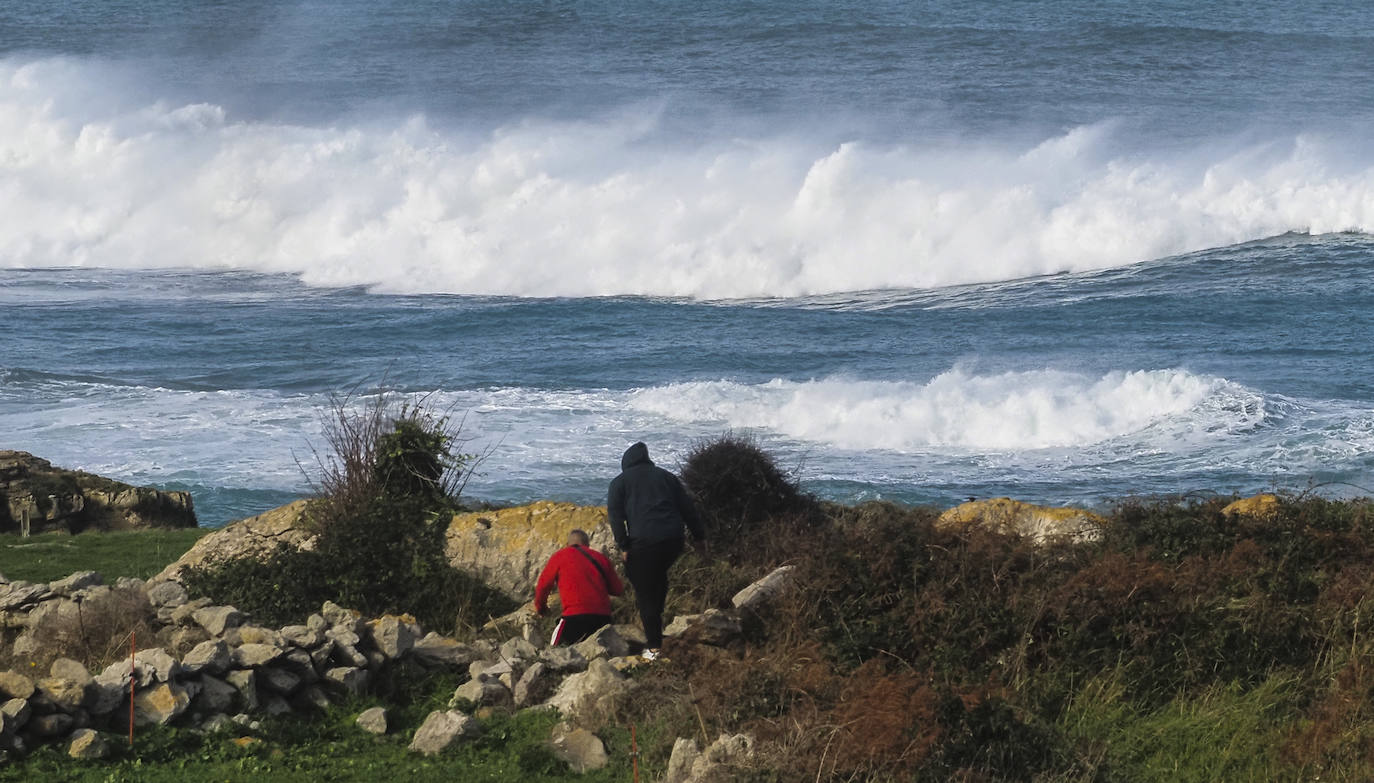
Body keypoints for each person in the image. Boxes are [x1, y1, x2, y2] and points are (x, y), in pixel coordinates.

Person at [608, 442, 706, 661]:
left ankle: (654, 648)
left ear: (626, 463)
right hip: (673, 540)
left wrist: (623, 546)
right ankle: (658, 630)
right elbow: (688, 508)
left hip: (643, 543)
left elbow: (615, 518)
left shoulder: (619, 483)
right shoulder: (667, 477)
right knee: (658, 578)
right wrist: (699, 537)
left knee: (644, 592)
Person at [534, 529, 625, 646]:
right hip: (603, 619)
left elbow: (543, 586)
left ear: (567, 544)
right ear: (587, 545)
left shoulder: (559, 556)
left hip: (573, 618)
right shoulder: (601, 558)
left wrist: (541, 608)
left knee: (554, 653)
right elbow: (617, 589)